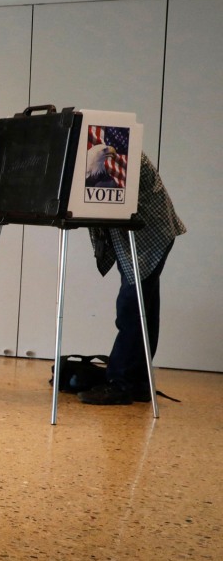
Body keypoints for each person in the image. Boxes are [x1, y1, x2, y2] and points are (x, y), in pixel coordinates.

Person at [79, 153, 185, 405]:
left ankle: (122, 384)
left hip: (148, 237)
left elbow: (106, 196)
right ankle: (137, 383)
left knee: (131, 308)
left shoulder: (117, 152)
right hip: (140, 234)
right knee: (142, 308)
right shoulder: (105, 150)